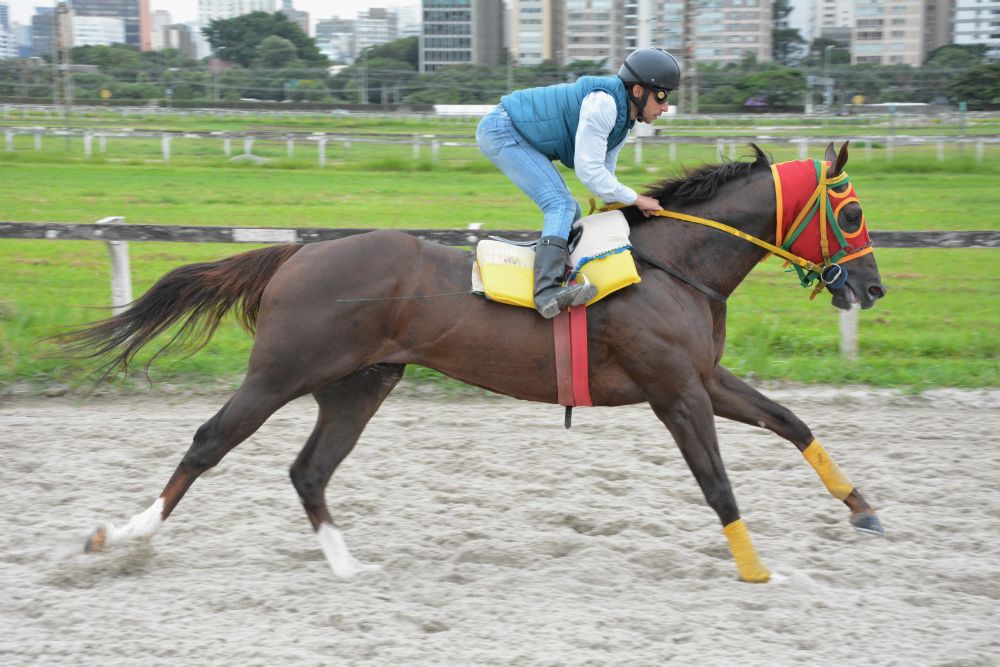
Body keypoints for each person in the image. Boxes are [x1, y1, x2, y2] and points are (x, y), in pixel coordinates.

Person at [476, 48, 681, 319]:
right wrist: (637, 199)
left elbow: (605, 178)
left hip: (515, 131)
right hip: (502, 129)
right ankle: (546, 291)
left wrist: (631, 205)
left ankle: (560, 275)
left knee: (571, 210)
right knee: (560, 205)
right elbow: (590, 172)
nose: (665, 107)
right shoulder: (604, 104)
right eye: (662, 96)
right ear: (638, 90)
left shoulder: (624, 121)